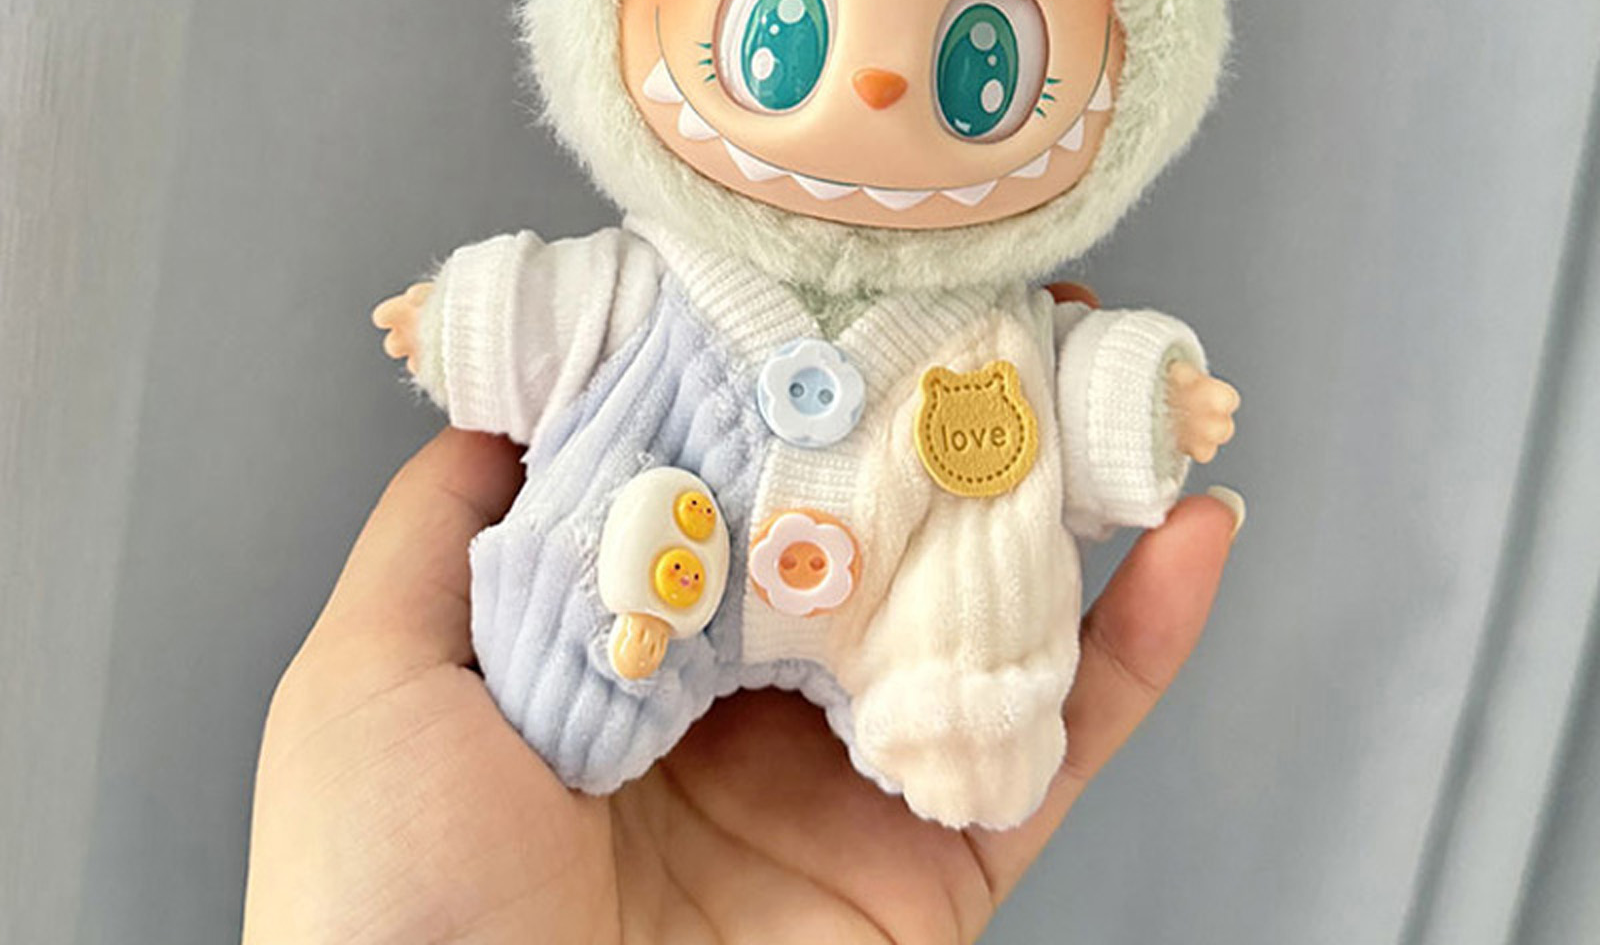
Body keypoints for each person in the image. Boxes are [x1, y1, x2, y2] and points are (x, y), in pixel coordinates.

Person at [241, 427, 1244, 943]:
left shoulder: (992, 325)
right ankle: (594, 676)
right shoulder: (665, 279)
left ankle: (955, 713)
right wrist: (471, 321)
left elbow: (1080, 389)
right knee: (577, 668)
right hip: (660, 601)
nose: (872, 104)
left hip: (895, 582)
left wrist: (1147, 403)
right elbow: (570, 304)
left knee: (972, 610)